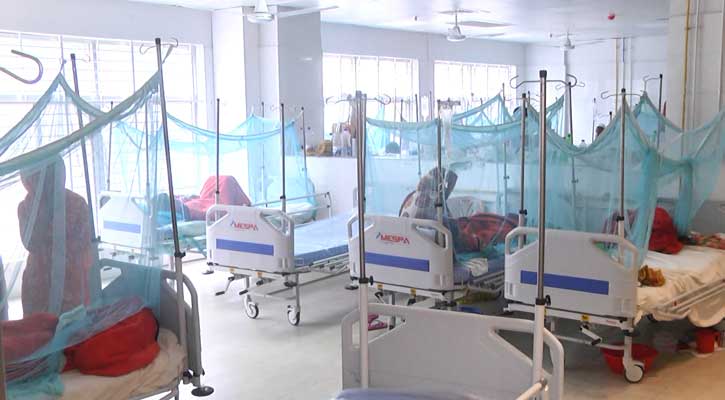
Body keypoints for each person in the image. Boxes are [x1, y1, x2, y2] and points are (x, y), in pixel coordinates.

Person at [17, 156, 92, 316]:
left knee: (70, 326)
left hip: (69, 282)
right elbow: (30, 244)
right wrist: (44, 210)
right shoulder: (26, 207)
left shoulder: (77, 204)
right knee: (38, 327)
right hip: (38, 283)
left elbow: (84, 244)